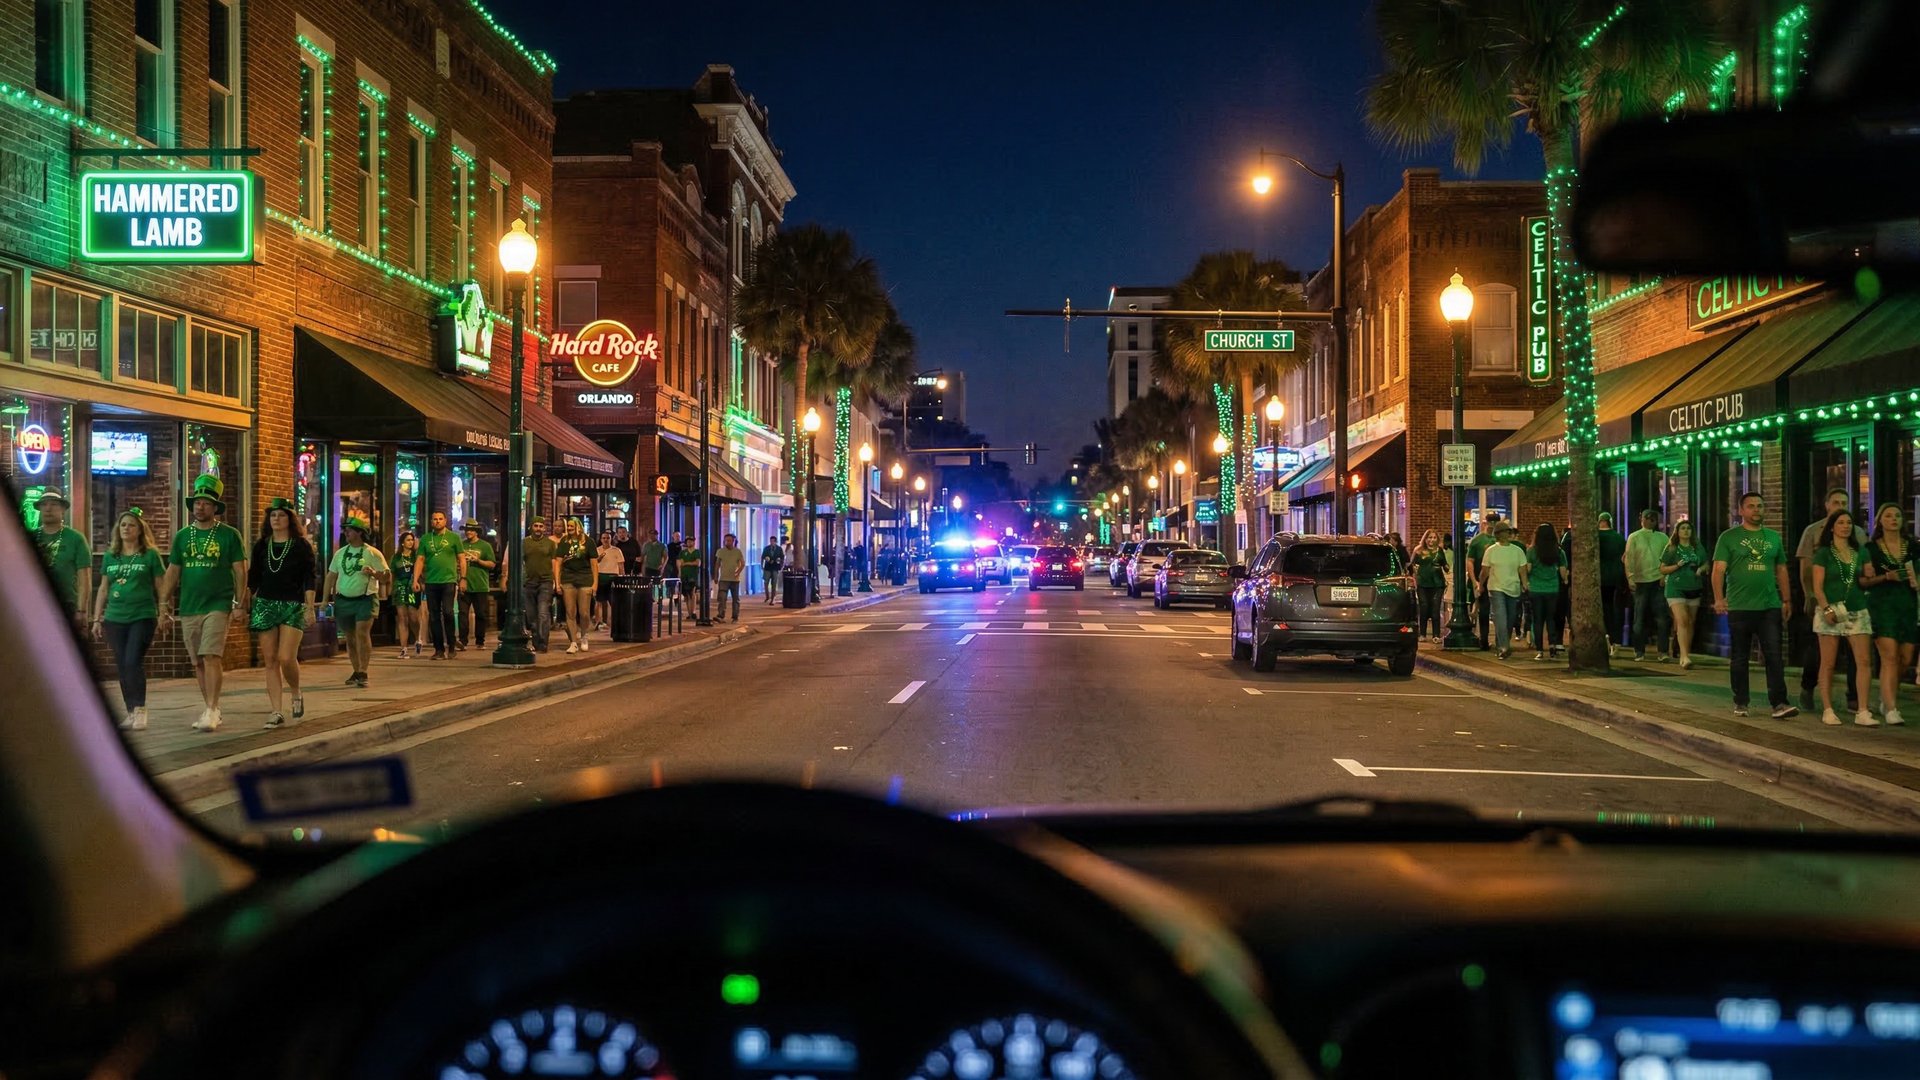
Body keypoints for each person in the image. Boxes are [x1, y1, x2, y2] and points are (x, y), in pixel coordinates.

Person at [162, 475, 248, 732]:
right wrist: (163, 603)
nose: (200, 507)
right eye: (197, 502)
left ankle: (211, 708)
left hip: (218, 604)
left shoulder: (229, 535)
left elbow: (241, 571)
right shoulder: (181, 536)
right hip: (189, 606)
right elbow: (173, 570)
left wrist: (239, 603)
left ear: (215, 507)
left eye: (206, 503)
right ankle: (211, 708)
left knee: (211, 655)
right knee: (197, 661)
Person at [1712, 492, 1798, 720]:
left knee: (1774, 655)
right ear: (1741, 510)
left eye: (1760, 506)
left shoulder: (1773, 537)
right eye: (1750, 506)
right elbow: (1718, 570)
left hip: (1769, 605)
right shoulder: (1728, 538)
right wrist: (1719, 599)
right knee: (1740, 656)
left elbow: (1781, 569)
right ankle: (1741, 701)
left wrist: (1786, 599)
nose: (1756, 510)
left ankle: (1779, 702)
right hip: (1740, 606)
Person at [91, 508, 166, 731]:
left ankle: (140, 709)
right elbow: (103, 589)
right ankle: (130, 711)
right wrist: (96, 619)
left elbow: (161, 585)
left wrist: (164, 611)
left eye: (131, 525)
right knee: (122, 665)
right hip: (115, 618)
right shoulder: (109, 556)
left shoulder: (150, 555)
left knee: (133, 661)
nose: (126, 528)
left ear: (140, 530)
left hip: (142, 616)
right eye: (123, 525)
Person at [248, 497, 317, 729]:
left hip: (293, 604)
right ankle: (276, 710)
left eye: (281, 515)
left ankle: (296, 692)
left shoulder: (300, 545)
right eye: (273, 515)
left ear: (290, 519)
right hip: (265, 604)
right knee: (269, 660)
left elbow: (309, 577)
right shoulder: (261, 545)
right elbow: (253, 577)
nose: (276, 519)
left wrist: (309, 607)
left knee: (286, 657)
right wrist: (244, 603)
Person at [1809, 508, 1877, 727]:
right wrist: (1826, 608)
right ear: (1832, 527)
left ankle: (1863, 710)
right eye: (1841, 523)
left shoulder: (1861, 551)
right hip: (1830, 610)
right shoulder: (1823, 553)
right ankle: (1828, 709)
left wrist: (1871, 575)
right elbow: (1817, 586)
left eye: (1849, 523)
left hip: (1856, 609)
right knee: (1828, 662)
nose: (1846, 526)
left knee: (1864, 661)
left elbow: (1867, 577)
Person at [1798, 488, 1856, 713]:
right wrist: (1809, 595)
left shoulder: (1856, 532)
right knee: (1817, 650)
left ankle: (1853, 696)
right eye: (1835, 502)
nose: (1840, 505)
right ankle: (1808, 686)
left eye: (1844, 502)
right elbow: (1805, 568)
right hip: (1823, 599)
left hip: (1851, 600)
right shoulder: (1813, 531)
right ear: (1826, 505)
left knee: (1855, 651)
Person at [1861, 503, 1917, 725]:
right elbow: (1864, 580)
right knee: (1889, 657)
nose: (1893, 519)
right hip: (1882, 605)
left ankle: (1887, 696)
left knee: (1905, 657)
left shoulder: (1912, 547)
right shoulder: (1871, 548)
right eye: (1888, 516)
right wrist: (1886, 577)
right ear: (1880, 521)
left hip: (1908, 605)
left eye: (1897, 516)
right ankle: (1891, 707)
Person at [325, 514, 389, 688]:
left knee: (361, 632)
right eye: (345, 529)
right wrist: (325, 600)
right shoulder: (340, 553)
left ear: (360, 533)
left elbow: (386, 576)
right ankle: (356, 670)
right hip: (343, 599)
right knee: (350, 637)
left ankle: (363, 671)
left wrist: (374, 573)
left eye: (350, 529)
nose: (346, 532)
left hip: (365, 599)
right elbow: (330, 576)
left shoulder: (372, 553)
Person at [32, 489, 92, 629]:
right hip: (35, 606)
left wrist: (81, 610)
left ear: (62, 509)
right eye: (44, 504)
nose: (48, 508)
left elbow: (84, 578)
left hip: (66, 604)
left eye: (53, 504)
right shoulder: (31, 537)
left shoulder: (75, 538)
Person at [412, 511, 462, 660]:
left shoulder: (454, 538)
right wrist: (415, 580)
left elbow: (461, 558)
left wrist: (463, 578)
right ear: (431, 521)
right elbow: (420, 560)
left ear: (445, 521)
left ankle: (451, 645)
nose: (437, 521)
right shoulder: (426, 539)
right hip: (431, 582)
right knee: (434, 616)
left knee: (448, 612)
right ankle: (439, 649)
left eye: (440, 519)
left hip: (448, 581)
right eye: (435, 519)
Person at [1477, 523, 1529, 660]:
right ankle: (1504, 647)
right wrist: (1481, 585)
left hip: (1513, 587)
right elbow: (1485, 570)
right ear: (1498, 535)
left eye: (1507, 532)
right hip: (1496, 587)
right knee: (1500, 617)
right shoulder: (1491, 551)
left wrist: (1524, 584)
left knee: (1511, 618)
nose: (1506, 534)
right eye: (1503, 532)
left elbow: (1522, 569)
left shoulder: (1517, 551)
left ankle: (1501, 642)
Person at [1660, 520, 1707, 670]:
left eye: (1688, 528)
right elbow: (1662, 569)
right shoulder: (1672, 548)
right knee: (1682, 620)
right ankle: (1684, 656)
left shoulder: (1698, 547)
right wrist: (1677, 565)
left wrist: (1702, 569)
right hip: (1675, 588)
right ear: (1677, 532)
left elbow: (1706, 563)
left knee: (1690, 622)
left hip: (1694, 587)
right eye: (1683, 528)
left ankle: (1684, 652)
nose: (1686, 531)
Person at [1625, 509, 1671, 662]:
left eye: (1652, 518)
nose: (1649, 521)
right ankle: (1639, 651)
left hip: (1657, 580)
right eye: (1647, 518)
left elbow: (1668, 558)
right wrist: (1631, 578)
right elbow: (1629, 558)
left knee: (1661, 618)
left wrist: (1665, 575)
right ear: (1641, 519)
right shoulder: (1634, 537)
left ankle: (1662, 651)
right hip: (1641, 581)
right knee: (1640, 617)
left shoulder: (1662, 537)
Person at [1525, 522, 1569, 660]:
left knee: (1538, 620)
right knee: (1551, 618)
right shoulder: (1559, 551)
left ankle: (1539, 650)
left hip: (1536, 589)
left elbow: (1528, 569)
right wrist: (1565, 580)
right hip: (1552, 589)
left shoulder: (1532, 551)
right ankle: (1552, 647)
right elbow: (1563, 573)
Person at [555, 518, 595, 653]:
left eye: (572, 526)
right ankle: (573, 642)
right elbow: (558, 563)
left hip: (585, 578)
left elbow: (594, 564)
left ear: (579, 526)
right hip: (568, 579)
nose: (570, 528)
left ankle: (584, 636)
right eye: (569, 526)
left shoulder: (589, 542)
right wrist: (557, 582)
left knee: (584, 613)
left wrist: (595, 583)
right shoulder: (564, 542)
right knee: (570, 611)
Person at [521, 518, 559, 652]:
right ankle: (536, 641)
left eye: (540, 526)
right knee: (531, 616)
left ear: (544, 528)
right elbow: (520, 562)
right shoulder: (524, 542)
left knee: (543, 613)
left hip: (545, 581)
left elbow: (555, 563)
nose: (538, 528)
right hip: (529, 582)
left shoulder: (550, 544)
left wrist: (557, 582)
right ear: (531, 527)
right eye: (535, 526)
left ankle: (543, 643)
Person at [457, 521, 496, 650]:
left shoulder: (485, 546)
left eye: (472, 530)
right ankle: (463, 641)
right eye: (467, 530)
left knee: (480, 614)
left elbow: (492, 564)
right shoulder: (461, 545)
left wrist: (478, 561)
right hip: (464, 584)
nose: (469, 532)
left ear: (477, 532)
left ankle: (480, 641)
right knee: (463, 613)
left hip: (480, 585)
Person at [1596, 511, 1629, 655]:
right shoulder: (1619, 538)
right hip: (1616, 578)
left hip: (1599, 578)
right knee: (1615, 609)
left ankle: (1605, 638)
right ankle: (1616, 640)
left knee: (1603, 609)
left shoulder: (1595, 538)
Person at [1467, 511, 1501, 649]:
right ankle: (1484, 639)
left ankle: (1500, 641)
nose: (1492, 525)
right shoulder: (1477, 541)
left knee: (1498, 611)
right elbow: (1470, 561)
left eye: (1495, 522)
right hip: (1481, 580)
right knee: (1483, 611)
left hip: (1497, 580)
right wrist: (1474, 580)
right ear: (1485, 522)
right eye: (1490, 521)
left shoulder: (1499, 540)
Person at [1412, 529, 1448, 643]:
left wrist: (1446, 567)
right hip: (1423, 583)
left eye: (1434, 538)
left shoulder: (1439, 551)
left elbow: (1445, 565)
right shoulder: (1419, 550)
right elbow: (1412, 565)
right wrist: (1415, 576)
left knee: (1435, 608)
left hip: (1437, 583)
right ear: (1425, 539)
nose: (1431, 540)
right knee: (1424, 607)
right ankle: (1422, 634)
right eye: (1429, 537)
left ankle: (1436, 635)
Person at [391, 531, 423, 659]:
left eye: (412, 540)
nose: (411, 542)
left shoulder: (416, 556)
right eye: (408, 540)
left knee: (413, 616)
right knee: (402, 617)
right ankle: (403, 648)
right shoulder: (396, 557)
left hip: (412, 586)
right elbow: (392, 574)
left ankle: (417, 638)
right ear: (402, 542)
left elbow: (422, 571)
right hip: (399, 587)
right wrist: (391, 589)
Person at [594, 529, 625, 631]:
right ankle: (599, 622)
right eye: (604, 538)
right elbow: (593, 563)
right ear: (601, 539)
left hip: (613, 576)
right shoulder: (597, 550)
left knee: (613, 601)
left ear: (611, 539)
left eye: (608, 538)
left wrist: (622, 578)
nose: (606, 540)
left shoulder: (616, 550)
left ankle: (614, 622)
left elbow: (621, 566)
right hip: (600, 576)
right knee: (599, 601)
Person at [714, 533, 747, 622]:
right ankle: (721, 615)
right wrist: (716, 576)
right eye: (726, 540)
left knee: (735, 599)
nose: (727, 542)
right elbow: (717, 564)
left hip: (734, 579)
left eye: (729, 540)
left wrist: (738, 572)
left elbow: (743, 563)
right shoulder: (720, 551)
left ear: (733, 541)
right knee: (722, 598)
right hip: (724, 578)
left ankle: (735, 616)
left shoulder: (737, 551)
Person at [762, 533, 786, 604]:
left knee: (774, 583)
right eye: (771, 541)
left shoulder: (779, 549)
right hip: (767, 567)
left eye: (773, 541)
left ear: (775, 542)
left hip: (775, 567)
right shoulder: (766, 548)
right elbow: (763, 557)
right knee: (766, 582)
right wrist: (762, 566)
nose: (771, 542)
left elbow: (782, 558)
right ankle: (767, 596)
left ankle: (773, 598)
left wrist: (781, 566)